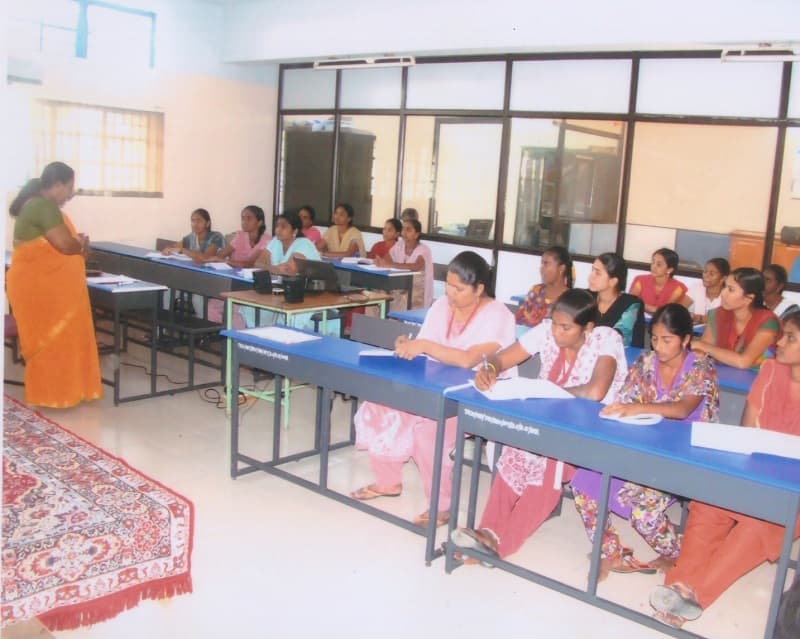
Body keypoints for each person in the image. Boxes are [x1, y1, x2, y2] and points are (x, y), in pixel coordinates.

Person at [449, 289, 628, 562]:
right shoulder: (548, 331)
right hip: (550, 418)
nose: (557, 333)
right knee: (515, 450)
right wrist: (490, 370)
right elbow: (502, 357)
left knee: (549, 466)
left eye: (566, 328)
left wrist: (545, 390)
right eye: (555, 324)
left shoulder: (606, 339)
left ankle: (499, 547)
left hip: (592, 427)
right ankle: (486, 532)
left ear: (588, 328)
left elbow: (596, 392)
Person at [649, 310, 800, 629]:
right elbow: (748, 433)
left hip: (793, 491)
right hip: (756, 470)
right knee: (707, 504)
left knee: (759, 526)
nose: (779, 342)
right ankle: (679, 583)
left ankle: (694, 595)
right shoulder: (770, 370)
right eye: (783, 334)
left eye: (790, 338)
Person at [350, 252, 517, 527]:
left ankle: (442, 506)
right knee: (381, 405)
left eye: (458, 289)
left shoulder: (498, 315)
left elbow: (467, 360)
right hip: (434, 384)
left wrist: (424, 346)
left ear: (479, 289)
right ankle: (388, 482)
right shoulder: (441, 306)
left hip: (474, 396)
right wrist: (408, 344)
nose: (450, 294)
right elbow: (424, 342)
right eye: (448, 286)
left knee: (428, 433)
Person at [571, 304, 720, 580]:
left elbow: (683, 409)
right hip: (643, 445)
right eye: (654, 339)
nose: (658, 347)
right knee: (584, 483)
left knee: (644, 514)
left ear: (686, 339)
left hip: (683, 455)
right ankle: (609, 550)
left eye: (667, 340)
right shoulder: (645, 362)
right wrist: (618, 410)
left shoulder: (701, 365)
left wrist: (637, 409)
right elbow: (627, 400)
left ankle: (676, 554)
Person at [6, 161, 102, 407]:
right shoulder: (43, 206)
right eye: (69, 187)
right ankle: (55, 395)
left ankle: (69, 392)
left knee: (66, 340)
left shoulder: (40, 205)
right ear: (57, 185)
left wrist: (76, 243)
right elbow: (64, 245)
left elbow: (62, 245)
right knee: (54, 343)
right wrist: (79, 243)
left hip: (46, 288)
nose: (71, 194)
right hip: (42, 290)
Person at [692, 267, 779, 370]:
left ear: (748, 298)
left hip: (759, 380)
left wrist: (703, 347)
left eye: (731, 289)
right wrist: (700, 350)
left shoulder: (767, 322)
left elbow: (743, 362)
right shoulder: (717, 315)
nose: (723, 293)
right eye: (724, 287)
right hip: (723, 377)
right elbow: (701, 353)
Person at [249, 211, 322, 329]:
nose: (278, 230)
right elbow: (257, 263)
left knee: (291, 316)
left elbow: (289, 270)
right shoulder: (276, 241)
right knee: (250, 307)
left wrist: (270, 268)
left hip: (307, 295)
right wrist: (274, 268)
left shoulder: (304, 243)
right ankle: (260, 340)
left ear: (295, 231)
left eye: (283, 226)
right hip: (283, 291)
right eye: (277, 226)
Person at [207, 205, 271, 327]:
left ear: (260, 222)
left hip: (252, 285)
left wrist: (227, 262)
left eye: (249, 218)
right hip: (233, 281)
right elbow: (222, 254)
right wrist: (217, 258)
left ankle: (236, 339)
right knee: (210, 306)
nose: (244, 222)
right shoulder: (239, 236)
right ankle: (219, 333)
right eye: (242, 218)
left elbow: (250, 264)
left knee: (237, 310)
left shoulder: (267, 240)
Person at [589, 252, 645, 347]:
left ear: (613, 281)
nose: (591, 276)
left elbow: (618, 338)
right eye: (592, 270)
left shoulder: (631, 304)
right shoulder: (586, 297)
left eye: (597, 273)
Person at [376, 219, 434, 308]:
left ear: (416, 234)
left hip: (418, 293)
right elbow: (386, 260)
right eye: (403, 229)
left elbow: (416, 266)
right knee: (377, 295)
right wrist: (379, 262)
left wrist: (391, 264)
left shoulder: (424, 250)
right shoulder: (399, 245)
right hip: (401, 289)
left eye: (408, 230)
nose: (404, 232)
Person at [516, 246, 573, 328]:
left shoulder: (570, 299)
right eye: (541, 264)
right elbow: (519, 317)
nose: (541, 268)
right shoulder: (535, 291)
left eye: (546, 264)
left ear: (561, 268)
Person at [630, 248, 688, 314]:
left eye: (659, 265)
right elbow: (631, 302)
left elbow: (666, 311)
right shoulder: (640, 280)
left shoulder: (678, 287)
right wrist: (653, 309)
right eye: (653, 262)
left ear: (670, 269)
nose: (653, 267)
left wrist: (643, 306)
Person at [682, 257, 729, 324]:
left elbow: (722, 320)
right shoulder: (697, 287)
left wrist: (698, 318)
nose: (706, 276)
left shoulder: (728, 295)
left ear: (723, 278)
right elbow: (680, 309)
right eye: (705, 272)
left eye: (711, 274)